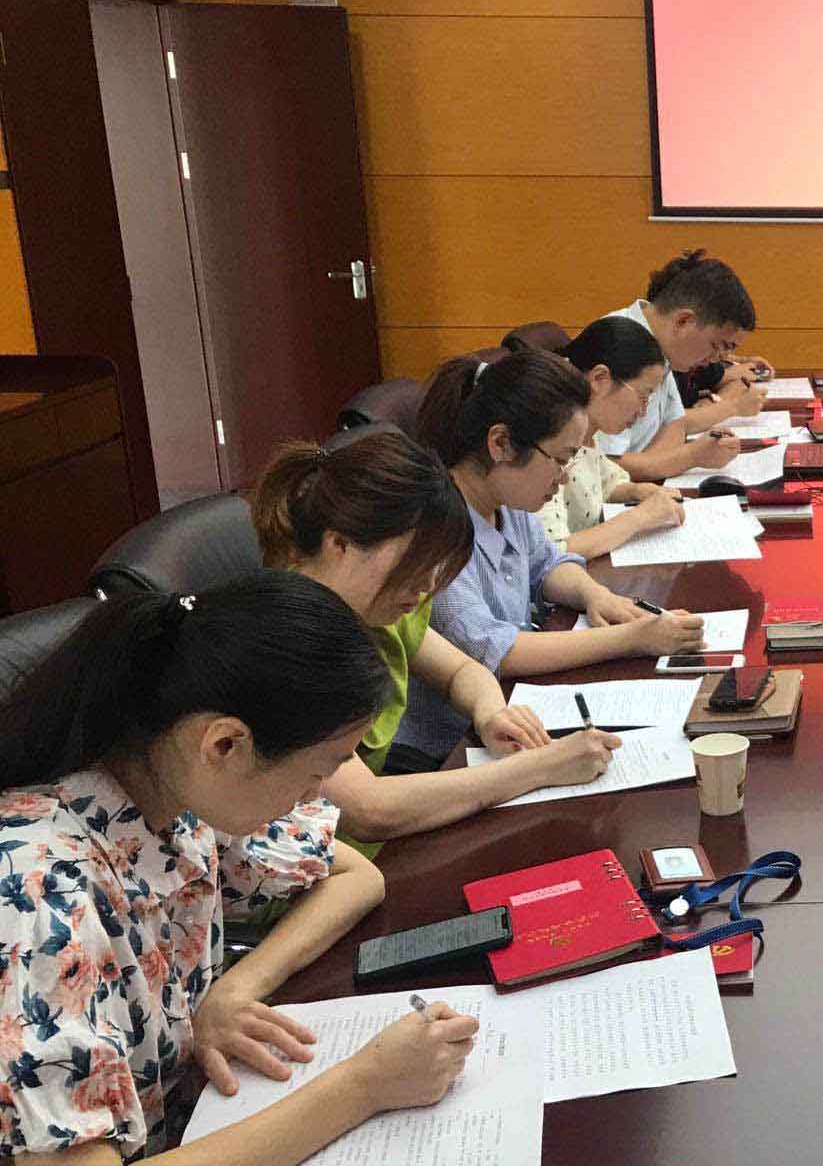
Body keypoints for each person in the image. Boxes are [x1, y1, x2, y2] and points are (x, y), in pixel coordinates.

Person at [0, 573, 479, 1160]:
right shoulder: (39, 898)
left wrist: (232, 992)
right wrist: (364, 1086)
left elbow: (356, 876)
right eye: (316, 771)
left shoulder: (176, 799)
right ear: (226, 744)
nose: (316, 796)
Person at [253, 432, 625, 848]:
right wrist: (542, 767)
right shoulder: (284, 641)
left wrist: (490, 713)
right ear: (340, 544)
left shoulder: (376, 607)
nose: (427, 585)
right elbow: (369, 810)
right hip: (338, 857)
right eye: (414, 563)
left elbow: (461, 671)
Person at [396, 350, 704, 769]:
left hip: (507, 715)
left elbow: (548, 564)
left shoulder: (506, 501)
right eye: (559, 459)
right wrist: (633, 638)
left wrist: (595, 595)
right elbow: (498, 651)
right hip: (441, 752)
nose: (563, 477)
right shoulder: (435, 528)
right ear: (501, 444)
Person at [596, 249, 766, 481]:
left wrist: (656, 463)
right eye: (716, 345)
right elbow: (604, 468)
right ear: (684, 321)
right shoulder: (616, 346)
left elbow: (677, 426)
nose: (716, 359)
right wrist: (689, 456)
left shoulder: (661, 345)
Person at [532, 315, 687, 560]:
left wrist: (639, 491)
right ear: (599, 379)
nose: (643, 412)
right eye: (643, 396)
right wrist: (640, 518)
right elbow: (551, 551)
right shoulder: (549, 440)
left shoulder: (587, 433)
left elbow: (606, 483)